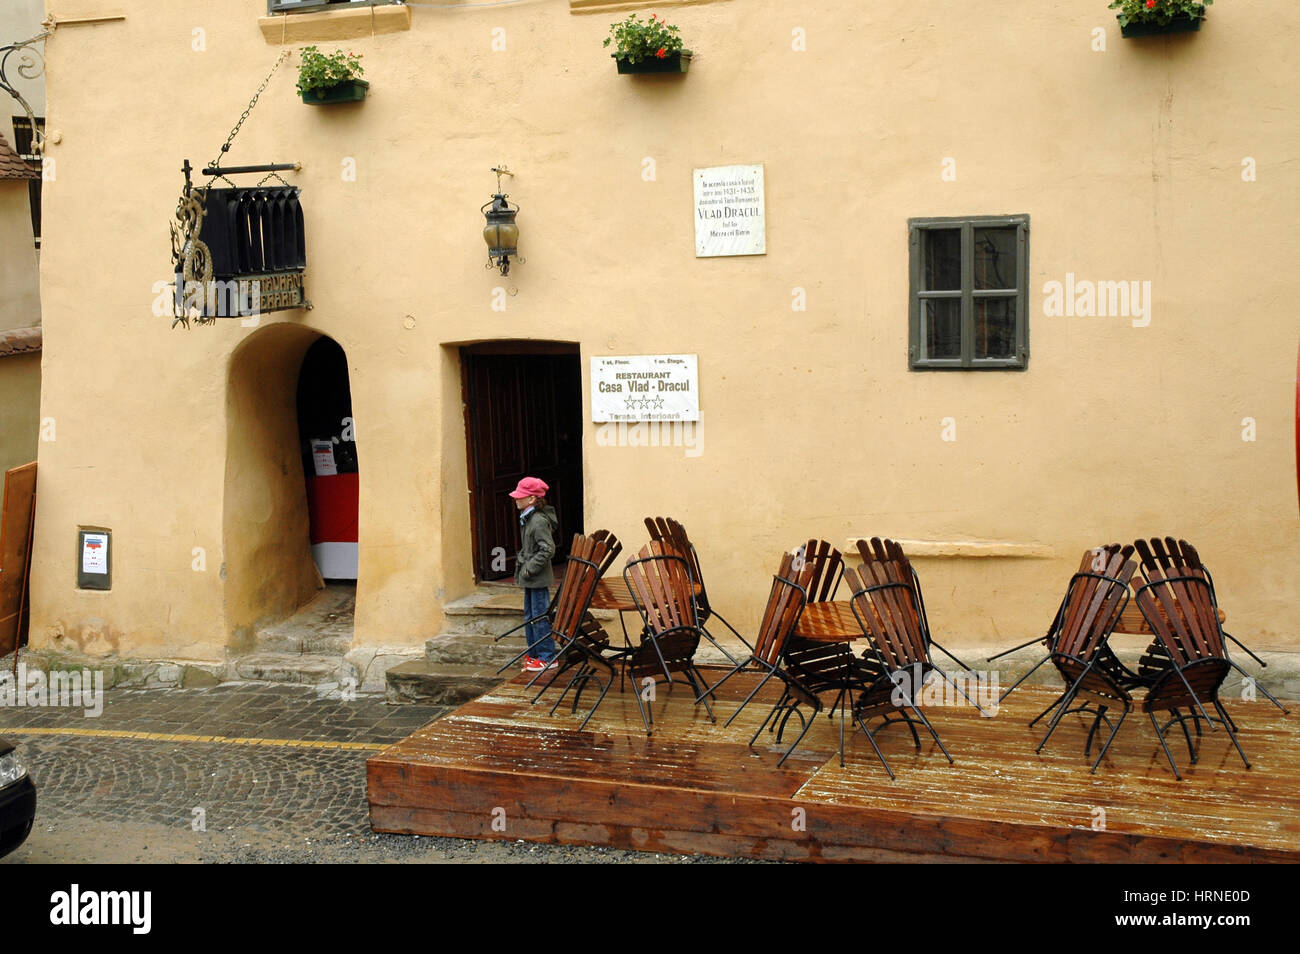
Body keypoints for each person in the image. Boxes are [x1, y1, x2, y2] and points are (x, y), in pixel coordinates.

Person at [509, 476, 559, 672]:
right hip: (531, 579)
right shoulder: (528, 518)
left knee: (539, 617)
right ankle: (535, 654)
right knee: (530, 616)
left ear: (531, 499)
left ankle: (547, 657)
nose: (516, 499)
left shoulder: (537, 521)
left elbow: (547, 549)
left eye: (520, 496)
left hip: (536, 579)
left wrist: (530, 568)